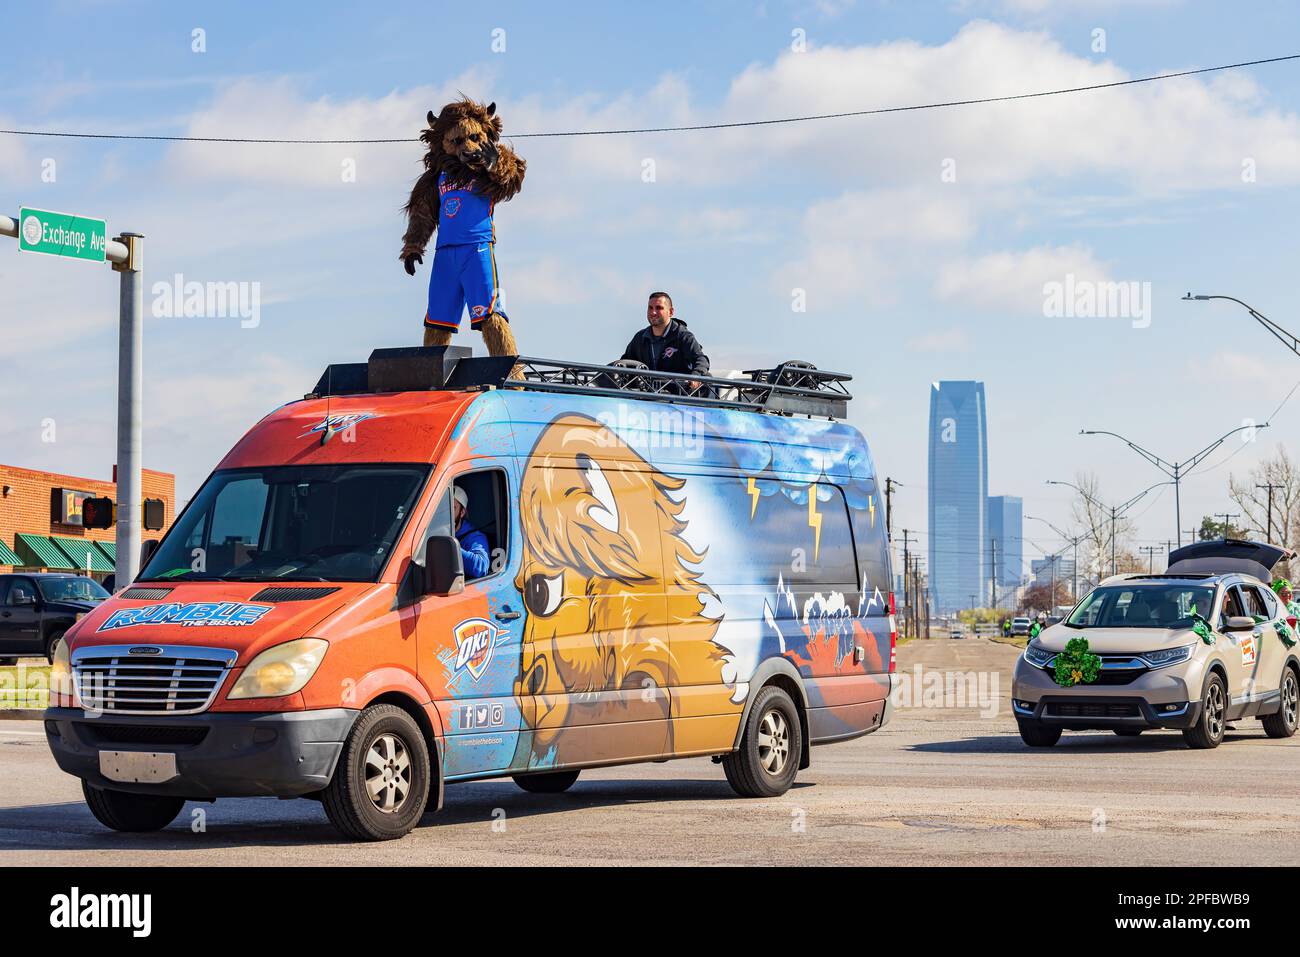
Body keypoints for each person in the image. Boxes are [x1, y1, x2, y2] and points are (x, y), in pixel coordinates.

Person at [620, 292, 710, 393]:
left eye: (659, 308)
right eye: (650, 308)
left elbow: (701, 360)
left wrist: (696, 377)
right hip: (646, 398)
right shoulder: (640, 338)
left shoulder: (683, 336)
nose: (653, 312)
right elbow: (624, 363)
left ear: (670, 312)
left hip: (677, 399)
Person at [452, 485, 491, 579]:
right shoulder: (431, 530)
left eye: (452, 508)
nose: (446, 512)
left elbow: (481, 567)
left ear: (462, 513)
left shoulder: (474, 537)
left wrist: (449, 548)